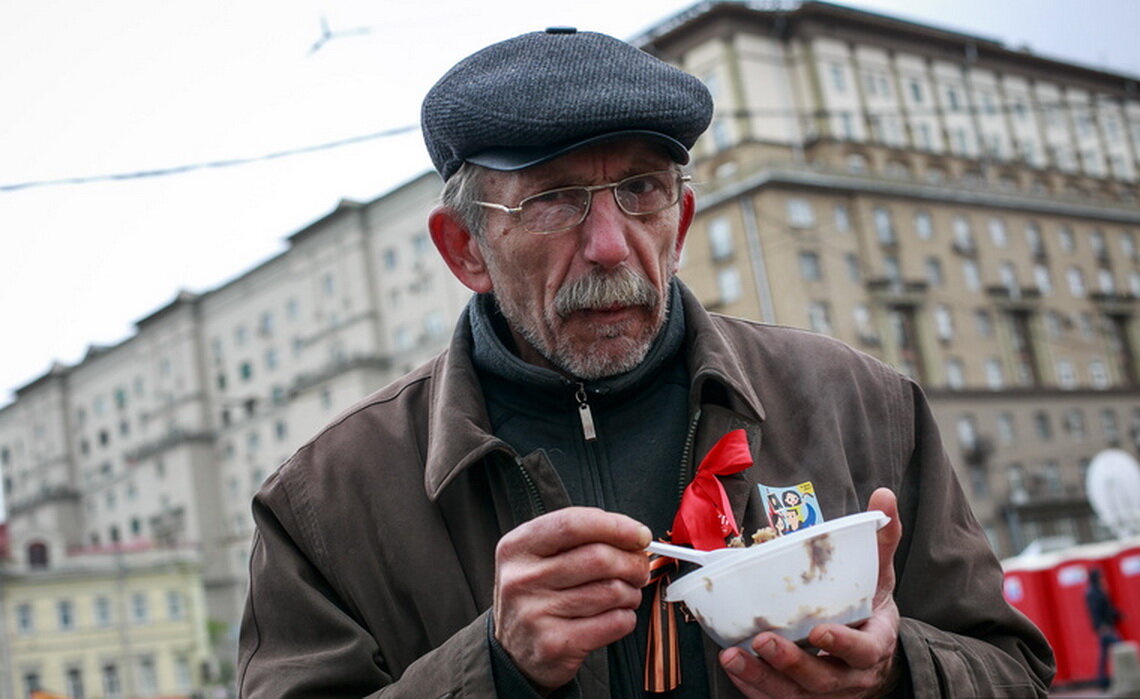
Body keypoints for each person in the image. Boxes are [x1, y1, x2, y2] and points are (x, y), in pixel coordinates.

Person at [237, 28, 1055, 697]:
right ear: (466, 250)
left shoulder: (865, 405)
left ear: (683, 217)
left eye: (641, 190)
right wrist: (493, 670)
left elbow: (1017, 672)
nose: (608, 247)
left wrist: (895, 673)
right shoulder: (324, 502)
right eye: (553, 198)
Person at [1086, 568, 1122, 690]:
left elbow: (1107, 607)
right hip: (1105, 627)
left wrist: (1118, 615)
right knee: (1121, 648)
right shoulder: (1093, 592)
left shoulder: (1098, 590)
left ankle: (1102, 680)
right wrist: (1100, 626)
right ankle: (1106, 679)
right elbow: (1094, 611)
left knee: (1104, 654)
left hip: (1107, 625)